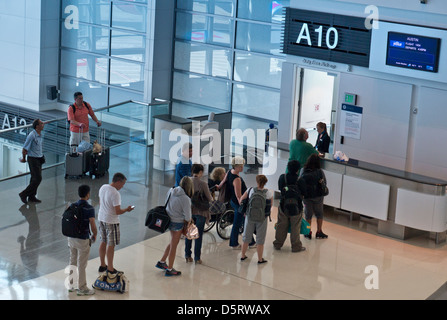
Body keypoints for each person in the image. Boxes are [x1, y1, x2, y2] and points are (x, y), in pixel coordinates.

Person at [156, 176, 193, 276]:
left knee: (173, 242)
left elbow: (166, 202)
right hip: (177, 223)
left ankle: (162, 261)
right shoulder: (186, 199)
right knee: (174, 246)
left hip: (168, 220)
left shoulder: (171, 190)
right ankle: (170, 269)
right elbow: (188, 216)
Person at [98, 173, 134, 275]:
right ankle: (110, 268)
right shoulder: (115, 194)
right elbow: (117, 211)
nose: (122, 187)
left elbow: (101, 203)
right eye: (122, 184)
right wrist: (127, 209)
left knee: (103, 241)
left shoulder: (103, 187)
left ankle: (102, 265)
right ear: (118, 182)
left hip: (101, 218)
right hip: (111, 221)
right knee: (111, 244)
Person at [67, 185, 98, 296]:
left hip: (71, 237)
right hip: (82, 239)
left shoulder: (72, 205)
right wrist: (94, 234)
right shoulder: (89, 208)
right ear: (88, 194)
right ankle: (82, 288)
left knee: (72, 261)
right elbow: (93, 225)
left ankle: (71, 286)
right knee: (82, 264)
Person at [273, 160, 306, 252]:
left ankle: (278, 244)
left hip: (283, 205)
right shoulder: (300, 180)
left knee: (281, 225)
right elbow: (304, 192)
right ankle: (296, 246)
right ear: (298, 170)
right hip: (297, 206)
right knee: (295, 226)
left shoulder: (282, 177)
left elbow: (280, 188)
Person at [218, 156, 250, 249]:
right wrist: (243, 209)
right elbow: (239, 196)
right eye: (240, 166)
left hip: (232, 201)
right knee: (237, 224)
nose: (242, 167)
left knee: (243, 222)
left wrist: (218, 186)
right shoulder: (237, 179)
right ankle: (234, 243)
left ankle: (251, 241)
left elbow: (222, 182)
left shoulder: (229, 172)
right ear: (235, 166)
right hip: (238, 203)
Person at [240, 175, 272, 264]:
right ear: (265, 182)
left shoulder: (250, 190)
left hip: (250, 216)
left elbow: (241, 200)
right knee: (260, 239)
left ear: (256, 181)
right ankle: (260, 259)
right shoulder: (268, 193)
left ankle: (243, 256)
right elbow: (270, 207)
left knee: (246, 236)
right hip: (262, 218)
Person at [186, 164, 213, 264]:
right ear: (200, 172)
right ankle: (197, 258)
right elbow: (210, 198)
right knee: (198, 235)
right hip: (200, 211)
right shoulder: (203, 183)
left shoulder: (187, 181)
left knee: (189, 234)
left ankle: (187, 255)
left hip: (189, 211)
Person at [298, 154, 328, 239]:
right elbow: (324, 183)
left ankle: (308, 232)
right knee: (319, 214)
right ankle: (319, 231)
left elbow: (300, 181)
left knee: (308, 215)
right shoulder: (320, 171)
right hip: (318, 196)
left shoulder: (303, 170)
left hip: (307, 197)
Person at [19, 119, 45, 204]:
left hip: (39, 158)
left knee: (34, 178)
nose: (43, 124)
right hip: (33, 159)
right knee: (38, 179)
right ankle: (23, 194)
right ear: (37, 126)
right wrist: (24, 158)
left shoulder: (40, 134)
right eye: (41, 123)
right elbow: (24, 149)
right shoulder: (32, 135)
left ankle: (32, 196)